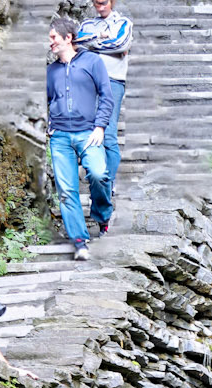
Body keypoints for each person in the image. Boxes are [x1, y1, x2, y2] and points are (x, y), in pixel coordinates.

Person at [46, 16, 113, 260]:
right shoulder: (50, 71)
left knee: (98, 174)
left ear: (68, 38)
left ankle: (102, 216)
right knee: (66, 190)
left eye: (54, 37)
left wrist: (100, 126)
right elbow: (45, 101)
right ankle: (79, 240)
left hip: (89, 133)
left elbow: (107, 96)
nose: (50, 42)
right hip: (60, 137)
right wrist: (48, 126)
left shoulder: (92, 61)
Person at [75, 0, 131, 206]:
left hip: (113, 81)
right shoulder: (87, 25)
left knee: (108, 134)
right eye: (96, 3)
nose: (100, 7)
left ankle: (108, 183)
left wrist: (92, 47)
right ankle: (98, 180)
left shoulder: (123, 23)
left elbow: (121, 44)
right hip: (89, 82)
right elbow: (76, 44)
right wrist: (101, 37)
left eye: (104, 3)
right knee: (89, 133)